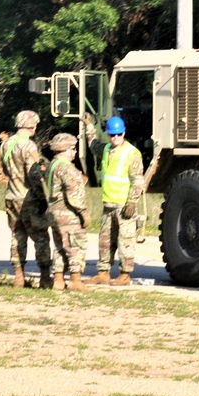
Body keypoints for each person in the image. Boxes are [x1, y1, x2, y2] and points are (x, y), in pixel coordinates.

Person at [79, 113, 144, 286]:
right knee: (105, 241)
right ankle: (103, 272)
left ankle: (125, 275)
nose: (115, 137)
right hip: (108, 204)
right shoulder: (107, 149)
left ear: (124, 134)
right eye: (112, 134)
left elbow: (138, 180)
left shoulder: (132, 153)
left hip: (124, 206)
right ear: (108, 134)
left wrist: (132, 201)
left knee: (126, 241)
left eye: (118, 134)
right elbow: (93, 145)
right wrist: (89, 126)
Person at [0, 110, 52, 288]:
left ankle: (18, 276)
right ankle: (45, 277)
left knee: (17, 236)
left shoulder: (6, 144)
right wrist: (43, 197)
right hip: (28, 198)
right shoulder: (28, 146)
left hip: (11, 195)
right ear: (33, 126)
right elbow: (34, 175)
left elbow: (6, 170)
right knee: (41, 237)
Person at [44, 133, 90, 291]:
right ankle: (75, 281)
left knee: (59, 246)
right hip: (68, 213)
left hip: (54, 213)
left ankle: (58, 279)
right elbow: (73, 194)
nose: (75, 152)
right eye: (73, 148)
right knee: (75, 245)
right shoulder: (66, 167)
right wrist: (84, 213)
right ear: (65, 149)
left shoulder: (52, 165)